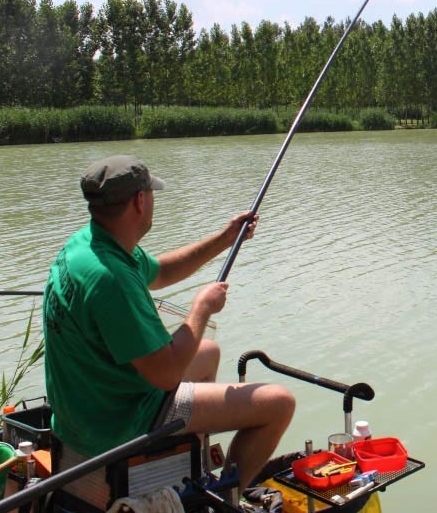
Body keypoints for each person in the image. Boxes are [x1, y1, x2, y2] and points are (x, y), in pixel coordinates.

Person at [42, 154, 295, 488]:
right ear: (140, 200)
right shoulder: (111, 279)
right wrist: (201, 308)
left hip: (89, 400)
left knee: (207, 352)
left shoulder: (90, 245)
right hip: (122, 418)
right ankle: (226, 502)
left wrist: (225, 238)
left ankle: (193, 470)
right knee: (279, 403)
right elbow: (166, 374)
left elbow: (161, 271)